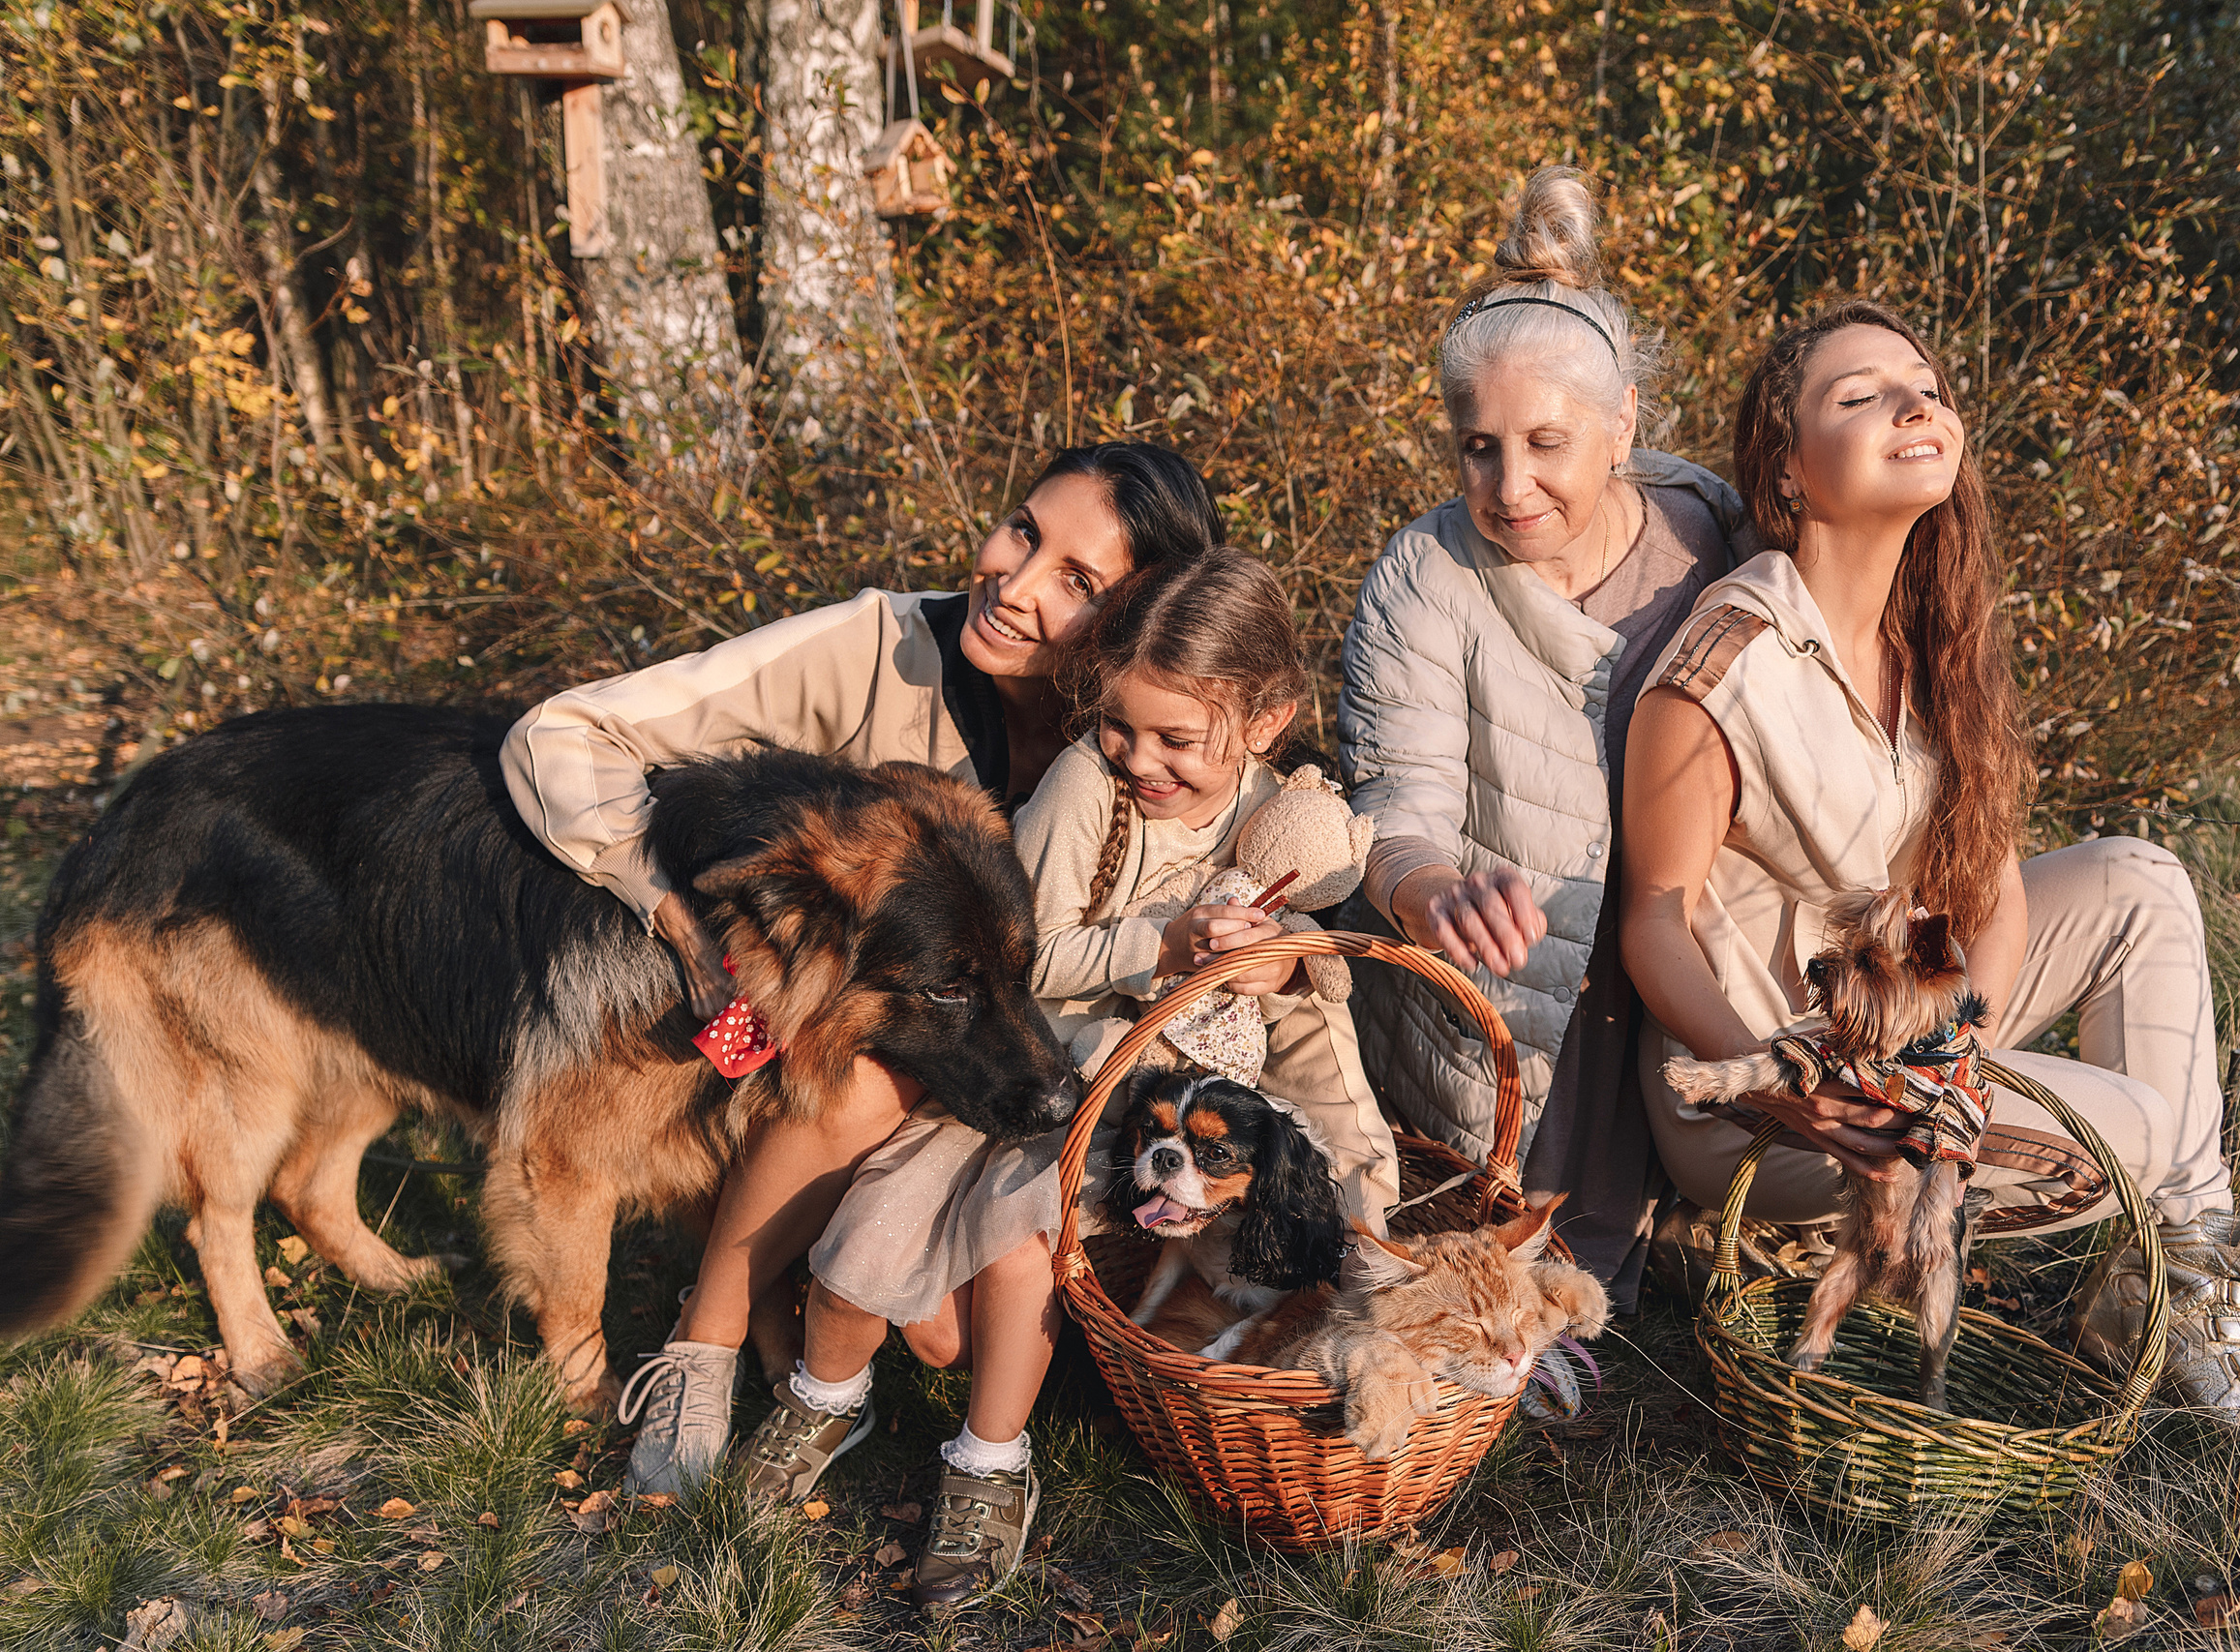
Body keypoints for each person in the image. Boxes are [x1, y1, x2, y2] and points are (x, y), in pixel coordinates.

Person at [1537, 299, 2240, 1448]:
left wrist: (1967, 1060)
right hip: (1770, 1084)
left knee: (2140, 880)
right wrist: (1785, 1089)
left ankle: (2182, 1292)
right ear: (1789, 472)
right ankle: (2159, 1266)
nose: (1915, 404)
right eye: (1858, 396)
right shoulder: (1723, 662)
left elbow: (1989, 887)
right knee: (2143, 1132)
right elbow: (1651, 923)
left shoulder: (1931, 637)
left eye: (1925, 386)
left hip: (1906, 1031)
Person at [497, 442, 1223, 1495]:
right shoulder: (878, 647)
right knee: (864, 1087)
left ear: (1138, 620)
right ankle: (709, 1337)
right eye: (1022, 529)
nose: (1013, 584)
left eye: (1077, 580)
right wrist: (675, 920)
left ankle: (808, 1301)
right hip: (866, 1030)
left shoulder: (1140, 729)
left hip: (1027, 1043)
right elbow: (562, 733)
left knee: (951, 1342)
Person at [751, 547, 1397, 1606]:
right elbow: (1030, 951)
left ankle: (988, 1468)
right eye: (1122, 725)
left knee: (1021, 1246)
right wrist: (1163, 943)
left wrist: (1280, 962)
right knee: (878, 1229)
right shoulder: (1087, 784)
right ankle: (823, 1397)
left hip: (1144, 1108)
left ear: (1267, 719)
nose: (1143, 756)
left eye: (1176, 739)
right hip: (1036, 1068)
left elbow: (1299, 999)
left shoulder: (1282, 815)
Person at [1339, 165, 1752, 1164]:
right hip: (1512, 1020)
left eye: (1546, 443)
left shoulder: (1722, 540)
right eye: (1478, 446)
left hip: (1704, 979)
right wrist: (1432, 893)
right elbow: (1397, 803)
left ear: (1623, 422)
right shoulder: (1425, 574)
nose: (1509, 486)